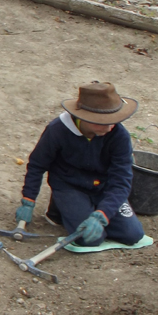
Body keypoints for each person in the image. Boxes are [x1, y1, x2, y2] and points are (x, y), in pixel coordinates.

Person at [17, 82, 145, 247]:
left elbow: (121, 180)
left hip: (103, 187)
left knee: (132, 235)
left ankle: (88, 210)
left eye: (112, 121)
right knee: (89, 239)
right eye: (101, 121)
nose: (109, 127)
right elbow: (37, 165)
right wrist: (28, 199)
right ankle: (60, 207)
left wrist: (102, 214)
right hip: (69, 185)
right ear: (83, 117)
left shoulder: (119, 135)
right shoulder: (57, 130)